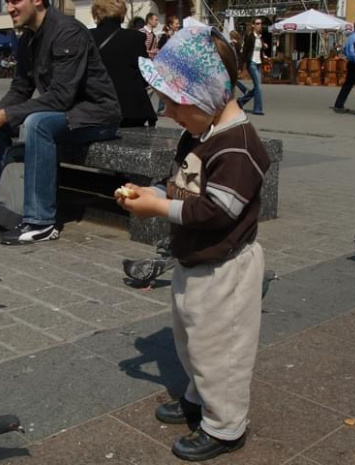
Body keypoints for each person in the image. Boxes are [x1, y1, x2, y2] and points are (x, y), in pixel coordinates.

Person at [122, 26, 270, 461]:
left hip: (226, 268)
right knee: (190, 340)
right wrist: (154, 193)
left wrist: (158, 209)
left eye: (173, 101)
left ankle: (225, 425)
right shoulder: (200, 133)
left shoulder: (239, 149)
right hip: (196, 261)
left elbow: (215, 212)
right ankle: (197, 396)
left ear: (207, 97)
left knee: (220, 350)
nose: (166, 111)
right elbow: (186, 189)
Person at [0, 0, 120, 246]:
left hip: (97, 116)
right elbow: (20, 89)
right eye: (6, 2)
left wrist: (5, 115)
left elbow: (61, 96)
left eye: (15, 1)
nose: (9, 8)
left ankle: (41, 222)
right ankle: (7, 209)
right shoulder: (27, 38)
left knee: (37, 124)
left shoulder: (67, 31)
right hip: (64, 114)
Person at [90, 0, 156, 127]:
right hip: (132, 109)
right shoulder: (136, 37)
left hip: (97, 107)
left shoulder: (86, 36)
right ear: (122, 15)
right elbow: (145, 74)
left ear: (96, 14)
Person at [332, 20, 355, 113]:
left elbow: (345, 50)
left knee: (348, 85)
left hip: (350, 63)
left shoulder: (350, 37)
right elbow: (351, 51)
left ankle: (338, 104)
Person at [238, 17, 268, 115]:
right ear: (253, 25)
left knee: (257, 87)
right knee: (259, 87)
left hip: (259, 63)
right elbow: (245, 51)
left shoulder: (260, 37)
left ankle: (241, 101)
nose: (260, 25)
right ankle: (257, 109)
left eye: (261, 23)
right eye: (258, 23)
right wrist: (241, 66)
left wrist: (264, 46)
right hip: (252, 63)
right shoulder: (249, 36)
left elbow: (260, 49)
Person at [156, 15, 180, 116]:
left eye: (178, 23)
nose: (178, 25)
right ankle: (161, 109)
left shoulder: (178, 35)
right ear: (170, 25)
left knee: (175, 88)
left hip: (175, 65)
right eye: (176, 23)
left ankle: (174, 109)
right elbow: (160, 49)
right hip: (166, 66)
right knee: (165, 87)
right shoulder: (164, 36)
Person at [228, 30, 249, 96]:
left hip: (234, 64)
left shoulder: (232, 44)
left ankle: (244, 89)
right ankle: (243, 90)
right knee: (233, 79)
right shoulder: (239, 44)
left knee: (232, 79)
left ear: (231, 36)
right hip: (239, 63)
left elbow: (231, 55)